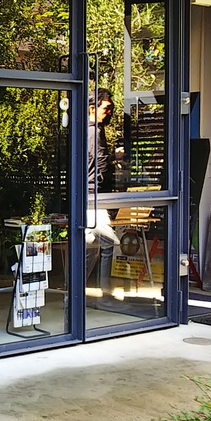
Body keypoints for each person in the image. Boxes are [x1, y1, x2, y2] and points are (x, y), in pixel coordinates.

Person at [85, 87, 120, 288]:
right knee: (108, 243)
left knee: (89, 246)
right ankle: (105, 294)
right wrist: (115, 159)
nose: (110, 112)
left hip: (90, 196)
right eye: (106, 108)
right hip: (93, 197)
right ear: (92, 108)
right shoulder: (94, 132)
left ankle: (74, 293)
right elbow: (100, 164)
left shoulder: (89, 130)